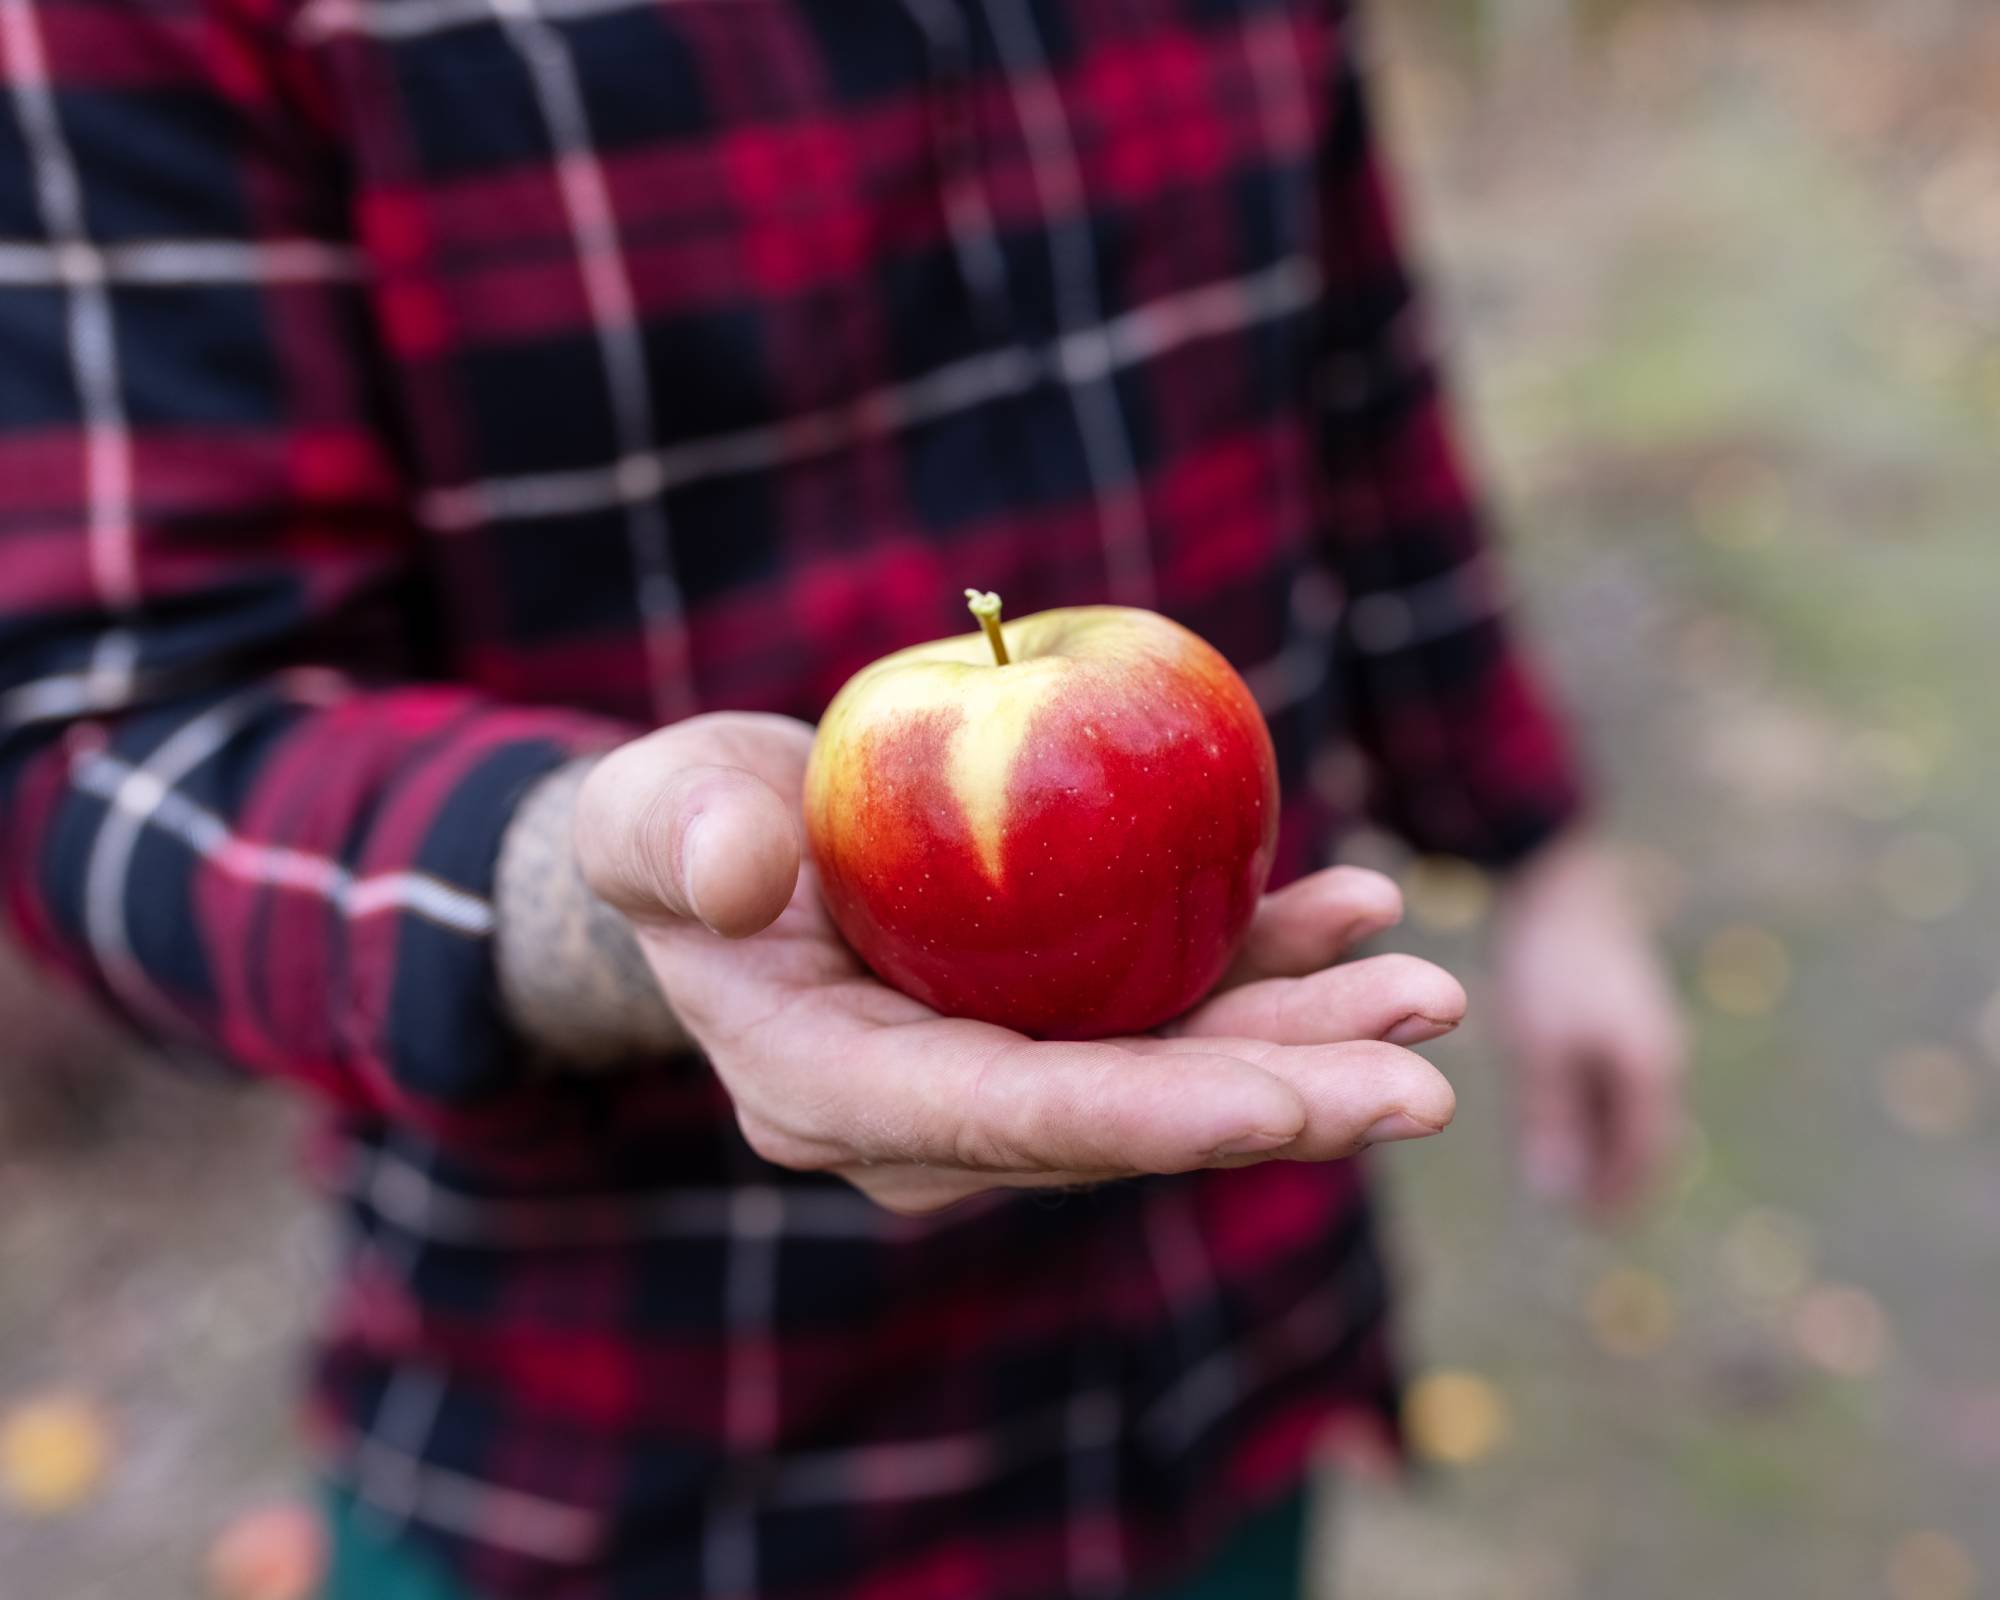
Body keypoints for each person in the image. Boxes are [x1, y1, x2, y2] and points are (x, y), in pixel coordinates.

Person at [0, 0, 1685, 1594]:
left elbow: (1349, 354)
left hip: (1231, 1358)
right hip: (646, 1466)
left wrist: (1539, 846)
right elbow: (111, 734)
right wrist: (598, 887)